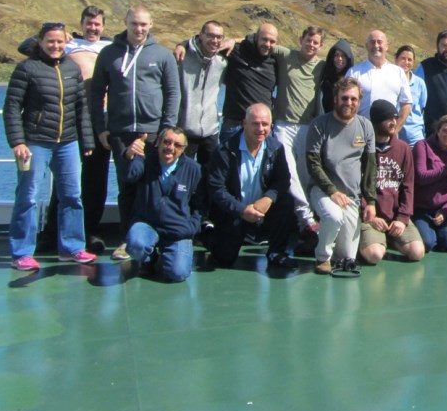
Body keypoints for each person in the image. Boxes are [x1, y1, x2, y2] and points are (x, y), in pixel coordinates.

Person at [3, 21, 96, 270]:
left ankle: (72, 247)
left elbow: (80, 107)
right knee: (28, 197)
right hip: (34, 143)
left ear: (66, 42)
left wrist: (86, 140)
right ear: (41, 42)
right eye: (50, 41)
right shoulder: (27, 69)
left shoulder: (71, 68)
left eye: (59, 41)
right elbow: (12, 107)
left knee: (72, 196)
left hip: (68, 143)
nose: (55, 46)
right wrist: (18, 141)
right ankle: (21, 252)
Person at [90, 6, 180, 261]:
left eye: (143, 24)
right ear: (125, 23)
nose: (139, 29)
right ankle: (127, 240)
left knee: (154, 186)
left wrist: (166, 130)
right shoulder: (109, 54)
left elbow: (172, 93)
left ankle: (156, 237)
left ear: (151, 24)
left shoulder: (162, 55)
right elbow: (97, 92)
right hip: (120, 132)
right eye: (134, 24)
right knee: (127, 186)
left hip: (153, 134)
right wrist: (102, 127)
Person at [20, 5, 112, 254]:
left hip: (100, 120)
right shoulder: (68, 45)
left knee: (96, 179)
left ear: (104, 26)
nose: (93, 28)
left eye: (97, 24)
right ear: (81, 24)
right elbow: (25, 47)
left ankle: (90, 230)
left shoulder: (111, 47)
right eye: (88, 23)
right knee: (65, 178)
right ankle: (52, 232)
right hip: (69, 118)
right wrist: (60, 34)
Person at [203, 103, 298, 269]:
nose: (260, 129)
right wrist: (241, 210)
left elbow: (282, 180)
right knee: (224, 259)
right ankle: (206, 231)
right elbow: (217, 189)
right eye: (255, 123)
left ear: (271, 126)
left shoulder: (275, 148)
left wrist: (268, 198)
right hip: (234, 211)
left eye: (265, 124)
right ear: (244, 124)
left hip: (261, 210)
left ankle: (277, 252)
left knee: (286, 202)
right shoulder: (225, 151)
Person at [306, 77, 376, 275]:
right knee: (334, 217)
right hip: (323, 191)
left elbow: (370, 166)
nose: (349, 103)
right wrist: (332, 191)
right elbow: (313, 164)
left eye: (354, 99)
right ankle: (322, 257)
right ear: (335, 99)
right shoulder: (320, 125)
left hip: (351, 198)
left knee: (346, 257)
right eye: (344, 98)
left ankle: (323, 241)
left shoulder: (365, 126)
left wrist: (370, 201)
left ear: (359, 101)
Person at [122, 127, 202, 282]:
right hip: (147, 223)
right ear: (158, 142)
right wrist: (129, 154)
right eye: (167, 142)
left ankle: (166, 256)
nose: (170, 148)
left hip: (177, 229)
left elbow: (201, 203)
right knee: (136, 245)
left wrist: (192, 227)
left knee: (178, 273)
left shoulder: (193, 169)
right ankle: (148, 259)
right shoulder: (145, 161)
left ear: (184, 149)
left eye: (177, 145)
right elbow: (129, 175)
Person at [271, 25, 326, 248]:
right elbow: (263, 42)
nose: (311, 45)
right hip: (284, 125)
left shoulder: (321, 66)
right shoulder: (286, 55)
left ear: (320, 46)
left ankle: (303, 222)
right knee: (289, 172)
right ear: (300, 39)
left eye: (316, 43)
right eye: (308, 40)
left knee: (305, 174)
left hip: (307, 127)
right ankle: (306, 219)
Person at [359, 100, 424, 265]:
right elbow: (354, 186)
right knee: (374, 255)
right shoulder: (362, 148)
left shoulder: (403, 149)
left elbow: (408, 186)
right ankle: (370, 242)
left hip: (396, 216)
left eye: (395, 118)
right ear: (376, 122)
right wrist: (369, 215)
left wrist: (402, 218)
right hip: (371, 217)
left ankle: (392, 239)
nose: (394, 122)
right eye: (388, 119)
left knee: (417, 252)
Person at [176, 20, 227, 173]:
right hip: (184, 129)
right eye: (210, 36)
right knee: (181, 176)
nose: (215, 41)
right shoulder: (182, 57)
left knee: (209, 177)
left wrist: (233, 41)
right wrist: (182, 44)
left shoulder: (223, 61)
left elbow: (249, 40)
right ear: (201, 35)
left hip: (210, 131)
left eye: (219, 37)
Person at [412, 114, 447, 252]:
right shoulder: (422, 146)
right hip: (422, 208)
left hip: (443, 208)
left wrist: (445, 211)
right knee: (428, 244)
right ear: (438, 131)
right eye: (444, 130)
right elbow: (421, 177)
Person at [219, 23, 279, 138]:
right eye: (264, 39)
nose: (267, 44)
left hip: (261, 128)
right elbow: (207, 45)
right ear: (256, 37)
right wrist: (183, 45)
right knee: (226, 156)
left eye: (272, 41)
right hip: (234, 125)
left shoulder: (276, 62)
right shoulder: (237, 51)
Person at [347, 30, 412, 123]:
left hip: (389, 132)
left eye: (380, 42)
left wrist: (395, 129)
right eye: (372, 42)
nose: (376, 45)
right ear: (367, 46)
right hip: (361, 131)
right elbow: (347, 102)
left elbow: (406, 104)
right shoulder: (354, 72)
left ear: (387, 46)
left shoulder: (398, 72)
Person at [394, 44, 427, 146]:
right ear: (396, 59)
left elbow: (422, 108)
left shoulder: (419, 83)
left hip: (415, 138)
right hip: (394, 136)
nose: (406, 62)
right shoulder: (389, 80)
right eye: (403, 59)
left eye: (410, 60)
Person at [319, 40, 354, 114]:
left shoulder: (352, 78)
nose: (340, 59)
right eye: (336, 55)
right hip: (322, 120)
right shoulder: (324, 75)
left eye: (343, 56)